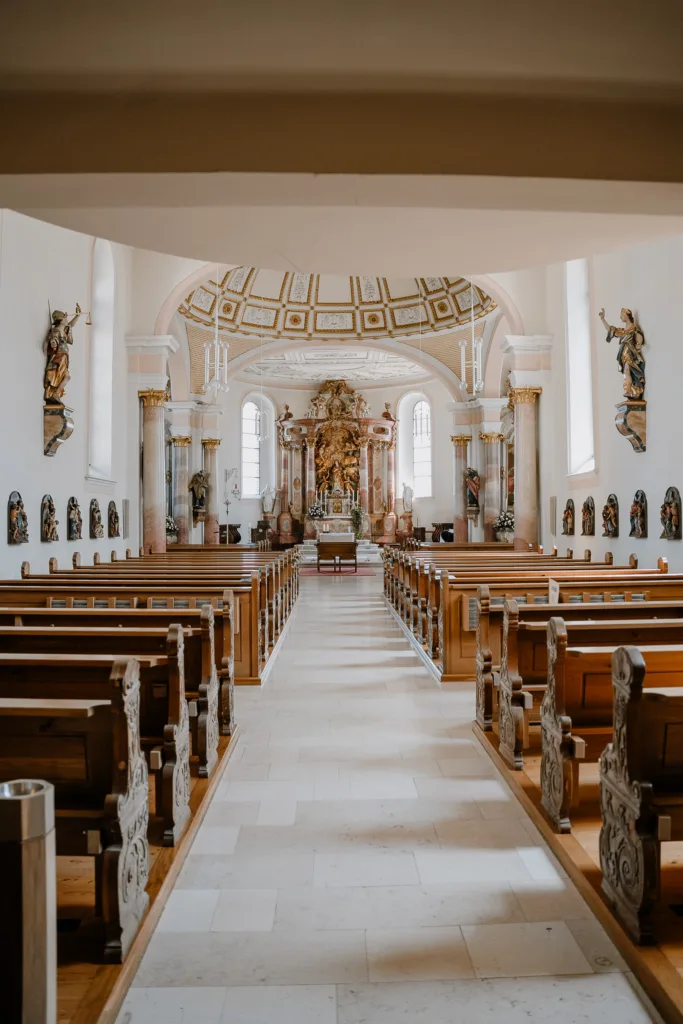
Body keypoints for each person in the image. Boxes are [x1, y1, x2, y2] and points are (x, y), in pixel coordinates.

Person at [599, 307, 645, 399]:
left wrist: (638, 344)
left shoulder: (633, 328)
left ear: (627, 315)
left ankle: (631, 390)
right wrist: (603, 319)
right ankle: (631, 390)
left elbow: (639, 336)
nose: (620, 317)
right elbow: (611, 330)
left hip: (630, 353)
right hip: (623, 354)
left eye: (622, 315)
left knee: (627, 371)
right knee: (626, 372)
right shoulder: (623, 331)